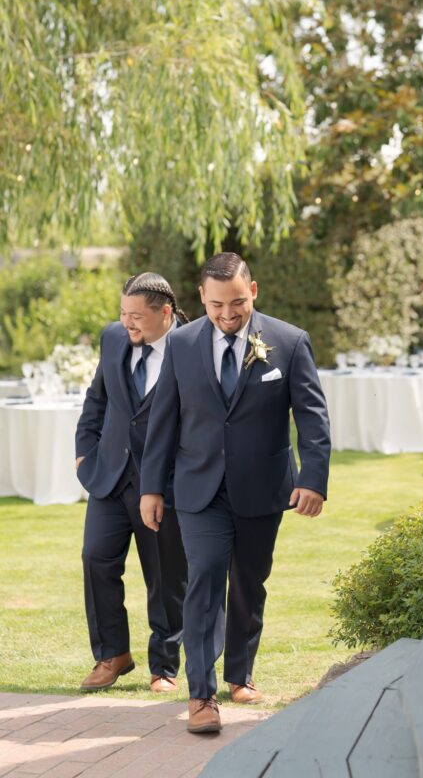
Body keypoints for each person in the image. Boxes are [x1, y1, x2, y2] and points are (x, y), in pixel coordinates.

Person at [140, 251, 331, 734]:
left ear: (254, 292)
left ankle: (240, 673)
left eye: (238, 303)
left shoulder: (289, 342)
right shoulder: (181, 345)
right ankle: (201, 696)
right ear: (201, 298)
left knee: (249, 583)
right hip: (197, 489)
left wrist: (313, 478)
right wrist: (151, 488)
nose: (228, 315)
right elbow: (163, 420)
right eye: (217, 305)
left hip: (263, 488)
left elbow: (312, 416)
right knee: (204, 578)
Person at [75, 272, 189, 693]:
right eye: (123, 314)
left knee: (164, 575)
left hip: (164, 483)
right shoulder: (113, 338)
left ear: (166, 312)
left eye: (137, 316)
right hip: (108, 477)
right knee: (95, 559)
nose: (128, 323)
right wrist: (84, 450)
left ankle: (164, 665)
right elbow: (97, 398)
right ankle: (112, 654)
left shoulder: (191, 346)